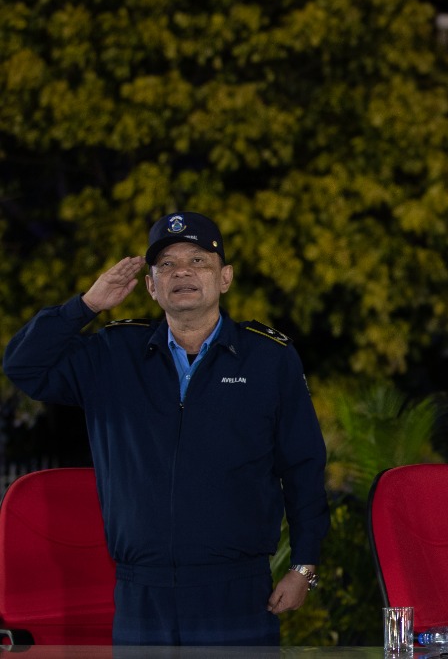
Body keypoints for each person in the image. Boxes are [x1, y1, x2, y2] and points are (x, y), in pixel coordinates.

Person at [4, 212, 329, 645]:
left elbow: (304, 465)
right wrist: (86, 306)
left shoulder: (268, 357)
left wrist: (304, 565)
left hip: (236, 590)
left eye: (198, 261)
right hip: (141, 593)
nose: (182, 272)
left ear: (225, 278)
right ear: (151, 286)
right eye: (167, 264)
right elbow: (23, 367)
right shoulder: (113, 353)